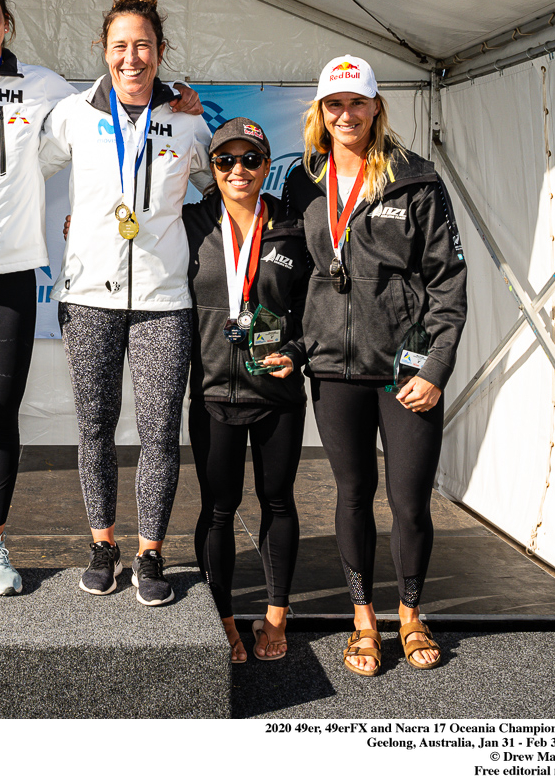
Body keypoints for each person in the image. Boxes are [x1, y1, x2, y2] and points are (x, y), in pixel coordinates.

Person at [0, 0, 202, 602]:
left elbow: (202, 171)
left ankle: (7, 545)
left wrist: (180, 100)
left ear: (7, 20)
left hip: (27, 277)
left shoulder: (50, 90)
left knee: (8, 414)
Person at [281, 55, 467, 675]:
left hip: (404, 371)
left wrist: (435, 369)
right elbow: (293, 273)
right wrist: (295, 345)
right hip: (334, 370)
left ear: (376, 106)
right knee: (353, 494)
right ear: (321, 111)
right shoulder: (304, 181)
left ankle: (410, 615)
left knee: (409, 501)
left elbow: (448, 282)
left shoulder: (416, 179)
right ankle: (364, 620)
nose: (346, 115)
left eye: (357, 102)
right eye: (335, 104)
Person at [41, 0, 212, 606]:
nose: (130, 58)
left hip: (164, 301)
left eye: (142, 46)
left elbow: (223, 186)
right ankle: (103, 544)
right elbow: (19, 174)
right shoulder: (73, 114)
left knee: (160, 432)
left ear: (160, 52)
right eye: (119, 46)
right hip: (89, 295)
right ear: (103, 49)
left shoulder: (187, 120)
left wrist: (189, 239)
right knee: (95, 428)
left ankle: (150, 552)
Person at [184, 117, 309, 661]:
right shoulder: (190, 222)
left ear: (266, 165)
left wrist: (298, 352)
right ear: (212, 168)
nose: (239, 169)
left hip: (276, 392)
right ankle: (225, 618)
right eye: (226, 160)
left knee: (277, 501)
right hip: (214, 391)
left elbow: (316, 304)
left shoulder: (293, 226)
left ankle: (276, 617)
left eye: (251, 159)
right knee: (218, 508)